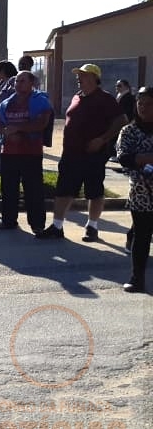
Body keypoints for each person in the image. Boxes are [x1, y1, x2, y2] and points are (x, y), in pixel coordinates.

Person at [37, 63, 130, 241]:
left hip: (93, 155)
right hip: (71, 154)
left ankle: (92, 227)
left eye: (84, 75)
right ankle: (57, 227)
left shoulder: (105, 98)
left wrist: (102, 139)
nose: (79, 78)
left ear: (95, 78)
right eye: (78, 75)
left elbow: (122, 120)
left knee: (94, 192)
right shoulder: (76, 97)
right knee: (63, 191)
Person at [0, 71, 52, 233]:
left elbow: (42, 123)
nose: (18, 84)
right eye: (16, 81)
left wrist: (18, 129)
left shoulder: (40, 101)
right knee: (8, 188)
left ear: (31, 83)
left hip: (31, 152)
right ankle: (8, 220)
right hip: (9, 152)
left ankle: (37, 224)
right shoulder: (6, 102)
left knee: (33, 189)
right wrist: (5, 132)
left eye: (22, 81)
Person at [116, 86, 153, 292]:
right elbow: (124, 158)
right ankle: (137, 278)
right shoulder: (129, 131)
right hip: (141, 192)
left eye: (149, 104)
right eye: (140, 103)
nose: (144, 108)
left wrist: (142, 158)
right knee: (142, 235)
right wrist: (145, 159)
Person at [0, 61, 19, 174]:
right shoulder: (0, 83)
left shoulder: (12, 83)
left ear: (3, 71)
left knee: (5, 145)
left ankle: (5, 168)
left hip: (6, 120)